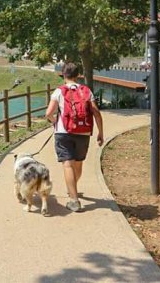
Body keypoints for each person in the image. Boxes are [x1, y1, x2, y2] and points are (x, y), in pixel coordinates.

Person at [45, 62, 104, 213]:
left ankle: (74, 199)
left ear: (63, 75)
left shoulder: (59, 91)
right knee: (78, 164)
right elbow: (96, 112)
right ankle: (73, 189)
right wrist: (100, 132)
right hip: (83, 133)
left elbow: (48, 114)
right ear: (78, 75)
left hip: (64, 132)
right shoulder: (86, 91)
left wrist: (55, 123)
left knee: (67, 165)